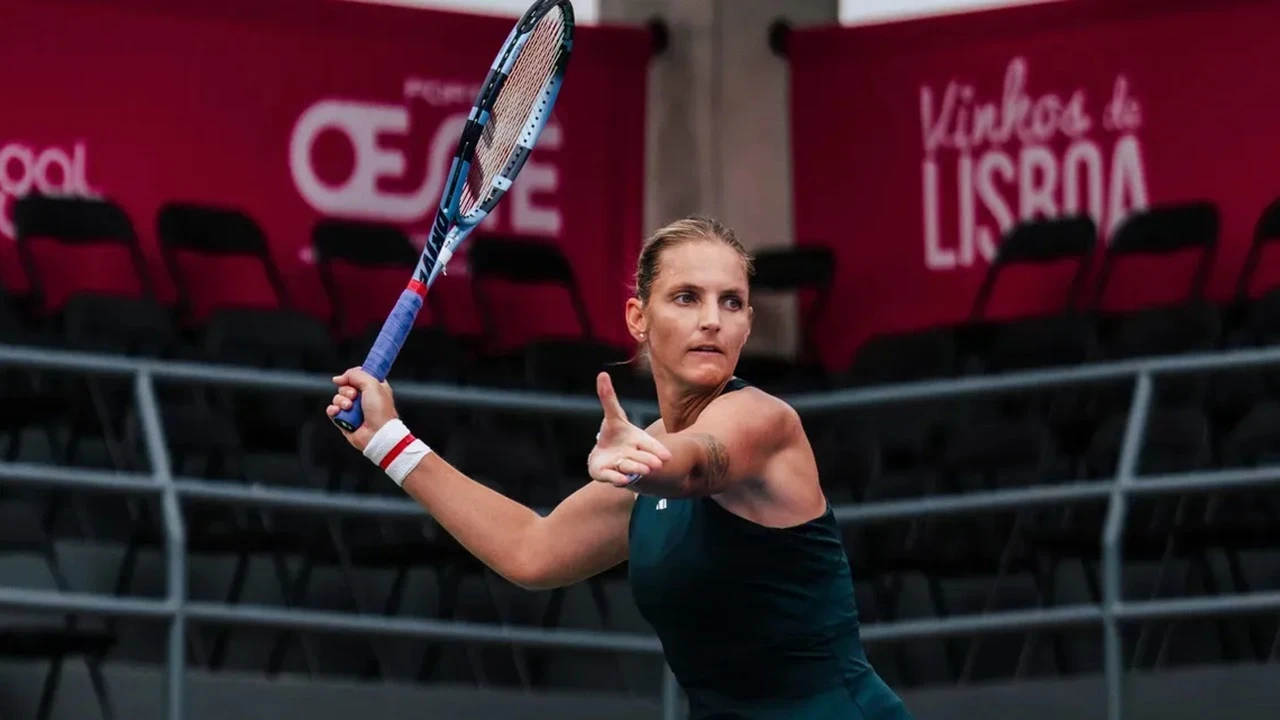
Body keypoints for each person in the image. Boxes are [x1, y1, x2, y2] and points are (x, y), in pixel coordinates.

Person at [326, 216, 913, 719]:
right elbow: (532, 550)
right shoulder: (650, 449)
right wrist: (389, 442)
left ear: (748, 325)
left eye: (731, 302)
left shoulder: (765, 422)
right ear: (638, 317)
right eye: (687, 297)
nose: (712, 319)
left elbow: (696, 465)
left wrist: (643, 469)